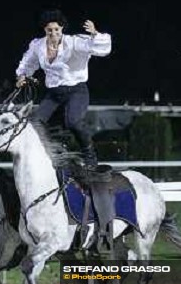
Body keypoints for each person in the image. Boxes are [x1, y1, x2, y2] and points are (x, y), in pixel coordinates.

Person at [15, 9, 112, 168]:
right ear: (45, 30)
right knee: (35, 123)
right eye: (49, 30)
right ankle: (48, 155)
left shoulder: (73, 42)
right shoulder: (38, 45)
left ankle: (90, 156)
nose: (53, 33)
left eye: (56, 30)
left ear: (62, 29)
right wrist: (22, 76)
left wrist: (95, 34)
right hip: (54, 94)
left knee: (72, 122)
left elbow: (100, 48)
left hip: (76, 91)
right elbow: (28, 62)